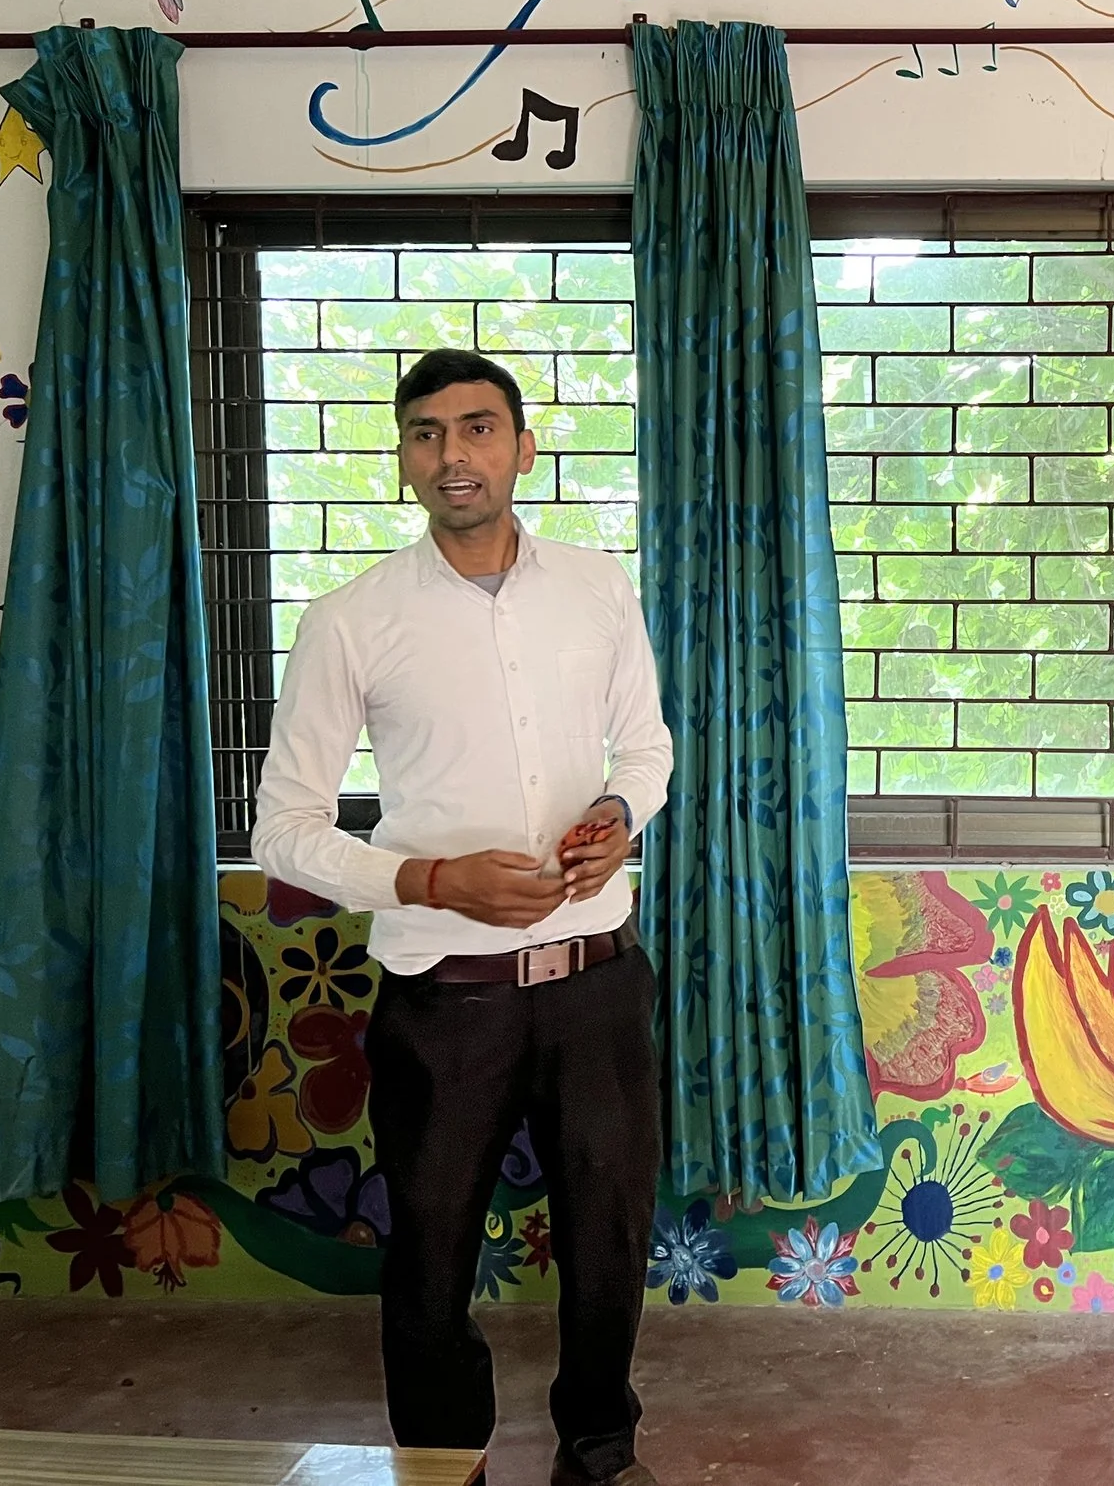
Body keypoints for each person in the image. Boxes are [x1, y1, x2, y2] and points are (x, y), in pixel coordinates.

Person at [253, 347, 673, 1486]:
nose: (454, 453)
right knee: (431, 1257)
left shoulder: (598, 589)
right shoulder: (351, 621)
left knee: (610, 1240)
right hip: (447, 999)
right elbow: (283, 829)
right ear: (404, 460)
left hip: (597, 981)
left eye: (479, 428)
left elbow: (647, 746)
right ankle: (446, 1466)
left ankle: (600, 1454)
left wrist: (618, 812)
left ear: (523, 449)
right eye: (427, 432)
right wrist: (434, 883)